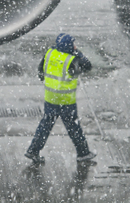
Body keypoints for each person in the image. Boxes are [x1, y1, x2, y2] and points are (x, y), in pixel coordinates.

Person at [25, 33, 96, 164]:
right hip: (66, 100)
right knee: (74, 127)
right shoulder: (71, 59)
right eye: (73, 44)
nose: (75, 45)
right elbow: (87, 66)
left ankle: (33, 150)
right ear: (69, 46)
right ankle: (83, 153)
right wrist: (78, 53)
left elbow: (41, 70)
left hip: (51, 98)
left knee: (45, 126)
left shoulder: (50, 53)